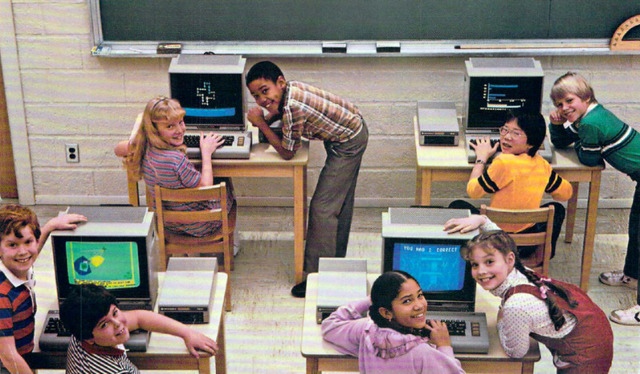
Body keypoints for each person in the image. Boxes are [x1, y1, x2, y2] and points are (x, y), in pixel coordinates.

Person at [245, 61, 368, 297]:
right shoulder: (289, 92)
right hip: (351, 130)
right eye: (255, 95)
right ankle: (334, 265)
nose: (261, 99)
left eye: (265, 90)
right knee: (338, 203)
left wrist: (261, 123)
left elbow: (288, 152)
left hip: (349, 141)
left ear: (280, 83)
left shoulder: (292, 107)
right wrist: (268, 121)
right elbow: (283, 116)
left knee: (323, 208)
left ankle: (316, 279)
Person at [549, 71, 640, 325]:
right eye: (559, 105)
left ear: (586, 97)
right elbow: (564, 142)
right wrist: (557, 125)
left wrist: (581, 142)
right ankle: (632, 275)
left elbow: (590, 160)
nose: (565, 108)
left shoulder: (591, 123)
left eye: (569, 101)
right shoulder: (587, 118)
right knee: (636, 229)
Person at [463, 230, 613, 373]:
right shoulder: (520, 269)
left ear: (510, 260)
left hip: (588, 352)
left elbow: (516, 352)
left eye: (489, 262)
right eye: (475, 264)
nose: (481, 271)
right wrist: (482, 220)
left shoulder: (516, 306)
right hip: (592, 323)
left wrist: (501, 322)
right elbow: (501, 239)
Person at [449, 111, 573, 258]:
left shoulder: (503, 162)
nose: (507, 137)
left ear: (531, 142)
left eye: (516, 133)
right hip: (527, 245)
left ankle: (474, 258)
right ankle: (543, 254)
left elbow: (473, 191)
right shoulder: (542, 165)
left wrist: (481, 158)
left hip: (496, 243)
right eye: (505, 130)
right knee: (557, 208)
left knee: (457, 205)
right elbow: (566, 193)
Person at [114, 97, 236, 244]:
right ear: (154, 130)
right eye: (170, 127)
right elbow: (206, 187)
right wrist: (206, 152)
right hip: (202, 225)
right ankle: (233, 243)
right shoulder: (176, 160)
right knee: (225, 181)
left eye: (180, 122)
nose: (180, 130)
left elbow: (118, 149)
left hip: (169, 225)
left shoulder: (144, 148)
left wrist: (141, 133)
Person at [321, 271, 465, 374]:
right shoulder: (422, 353)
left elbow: (330, 324)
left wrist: (372, 299)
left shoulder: (366, 331)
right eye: (407, 301)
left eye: (420, 295)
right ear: (386, 312)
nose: (419, 305)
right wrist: (444, 345)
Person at [0, 204, 86, 374]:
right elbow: (8, 356)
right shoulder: (2, 295)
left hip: (23, 354)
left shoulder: (19, 269)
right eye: (12, 245)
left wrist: (50, 226)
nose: (23, 252)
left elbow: (30, 254)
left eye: (28, 241)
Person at [60, 283, 217, 374]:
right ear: (89, 336)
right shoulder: (119, 372)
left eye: (115, 312)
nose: (118, 323)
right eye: (104, 324)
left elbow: (140, 317)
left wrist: (187, 333)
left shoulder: (79, 336)